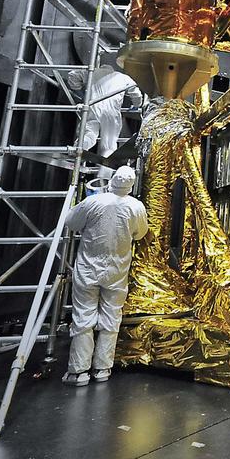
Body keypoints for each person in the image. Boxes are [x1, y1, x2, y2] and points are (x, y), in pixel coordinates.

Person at [62, 165, 148, 386]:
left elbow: (71, 222)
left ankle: (78, 372)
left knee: (83, 317)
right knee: (111, 318)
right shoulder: (136, 206)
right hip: (117, 271)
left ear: (112, 181)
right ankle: (102, 369)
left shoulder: (93, 202)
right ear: (131, 185)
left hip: (88, 268)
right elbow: (140, 233)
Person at [67, 63, 142, 168]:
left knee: (89, 134)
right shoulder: (122, 77)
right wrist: (136, 105)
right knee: (109, 144)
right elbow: (136, 93)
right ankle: (105, 172)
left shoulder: (92, 72)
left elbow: (72, 75)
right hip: (111, 113)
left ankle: (77, 153)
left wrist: (80, 92)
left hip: (93, 107)